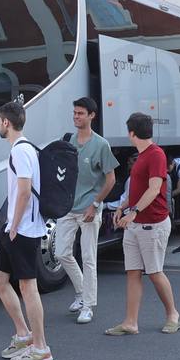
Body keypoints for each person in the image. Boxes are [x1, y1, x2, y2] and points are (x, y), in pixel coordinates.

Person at [105, 112, 180, 336]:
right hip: (136, 224)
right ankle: (130, 322)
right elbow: (137, 189)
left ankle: (173, 315)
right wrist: (123, 207)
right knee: (133, 272)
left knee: (155, 272)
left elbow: (154, 188)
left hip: (152, 224)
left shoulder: (156, 154)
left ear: (131, 133)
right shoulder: (142, 156)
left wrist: (133, 211)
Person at [0, 101, 53, 360]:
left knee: (28, 287)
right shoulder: (22, 149)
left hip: (23, 229)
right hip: (15, 228)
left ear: (6, 122)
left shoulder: (21, 151)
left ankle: (41, 349)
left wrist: (14, 225)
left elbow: (25, 191)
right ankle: (24, 334)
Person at [57, 97, 118, 325]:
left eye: (81, 113)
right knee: (62, 253)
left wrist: (96, 204)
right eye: (74, 113)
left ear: (92, 115)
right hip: (68, 207)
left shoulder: (101, 145)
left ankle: (88, 306)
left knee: (89, 258)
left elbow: (111, 179)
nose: (76, 117)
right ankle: (81, 293)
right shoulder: (69, 141)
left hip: (89, 209)